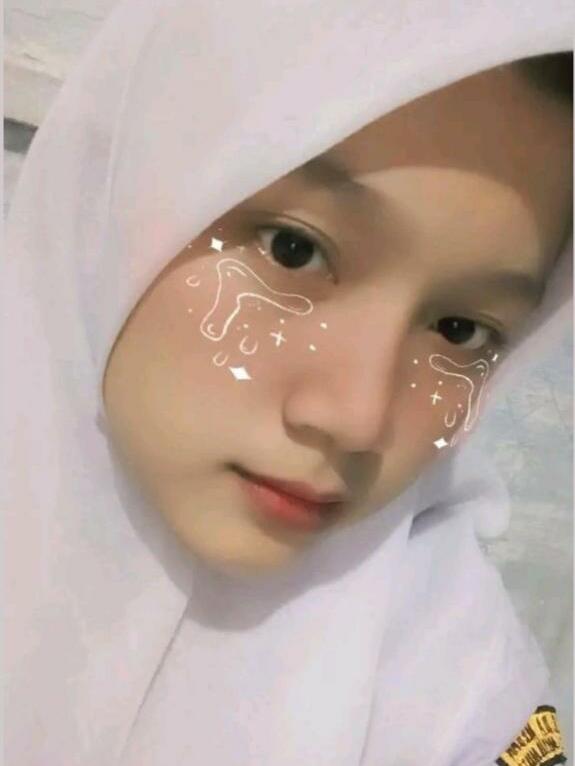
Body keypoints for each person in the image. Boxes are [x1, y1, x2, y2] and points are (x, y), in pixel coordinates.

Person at [2, 0, 572, 763]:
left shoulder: (455, 686)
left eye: (459, 330)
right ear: (117, 192)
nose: (357, 418)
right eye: (293, 249)